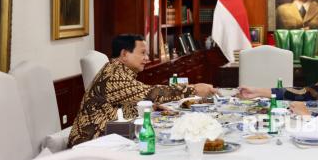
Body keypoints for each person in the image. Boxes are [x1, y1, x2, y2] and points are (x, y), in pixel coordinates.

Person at [68, 34, 216, 147]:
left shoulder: (119, 71)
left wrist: (154, 107)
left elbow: (129, 100)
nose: (147, 58)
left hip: (111, 137)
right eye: (143, 53)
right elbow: (150, 93)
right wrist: (194, 90)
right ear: (124, 54)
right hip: (90, 146)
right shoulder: (114, 76)